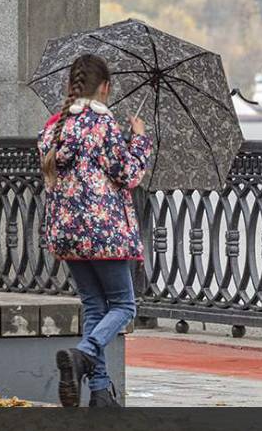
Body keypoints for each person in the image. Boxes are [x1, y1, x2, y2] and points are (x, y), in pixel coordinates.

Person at [37, 54, 151, 407]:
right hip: (103, 233)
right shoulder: (103, 126)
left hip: (67, 233)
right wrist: (140, 140)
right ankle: (84, 353)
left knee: (94, 306)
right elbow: (128, 174)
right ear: (105, 87)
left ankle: (100, 393)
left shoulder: (55, 128)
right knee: (124, 305)